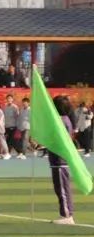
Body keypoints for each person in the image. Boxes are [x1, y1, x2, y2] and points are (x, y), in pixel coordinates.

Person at [47, 95, 78, 225]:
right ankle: (65, 213)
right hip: (56, 159)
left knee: (62, 188)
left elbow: (60, 139)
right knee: (59, 188)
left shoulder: (62, 120)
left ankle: (67, 214)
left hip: (60, 159)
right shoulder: (63, 120)